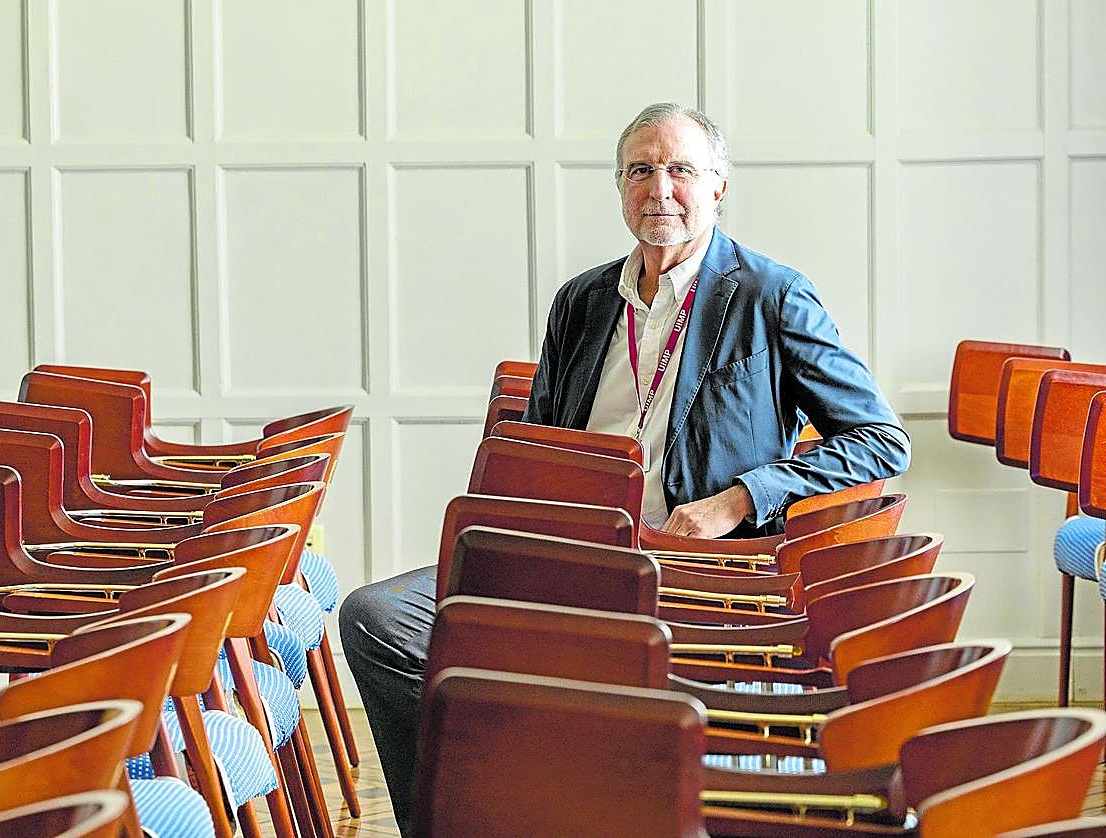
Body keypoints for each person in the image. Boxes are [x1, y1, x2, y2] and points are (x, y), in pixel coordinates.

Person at [339, 102, 910, 835]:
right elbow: (540, 440)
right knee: (379, 618)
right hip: (574, 553)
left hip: (692, 568)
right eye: (641, 170)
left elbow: (879, 439)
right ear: (619, 187)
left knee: (594, 679)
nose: (660, 189)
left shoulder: (772, 296)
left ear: (719, 187)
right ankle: (456, 817)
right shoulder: (582, 300)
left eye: (680, 170)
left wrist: (739, 499)